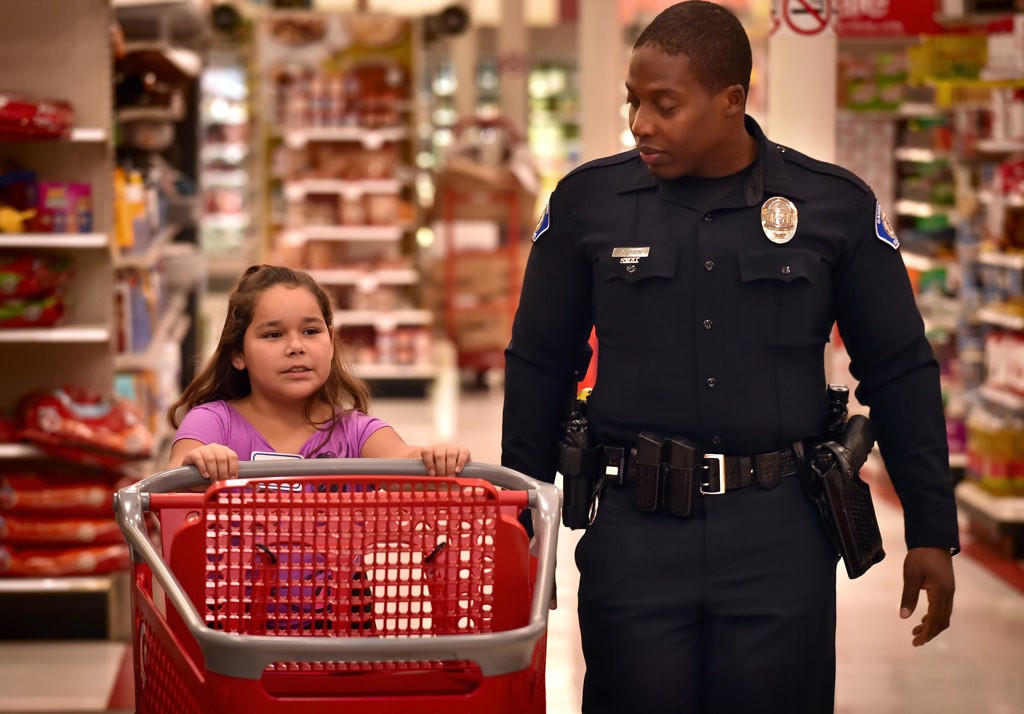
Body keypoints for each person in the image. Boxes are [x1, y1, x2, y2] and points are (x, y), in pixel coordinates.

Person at [501, 3, 958, 713]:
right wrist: (522, 523)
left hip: (780, 534)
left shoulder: (830, 206)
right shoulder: (590, 204)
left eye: (664, 104)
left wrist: (932, 527)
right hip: (636, 535)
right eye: (633, 101)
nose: (640, 122)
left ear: (731, 101)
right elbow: (538, 364)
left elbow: (898, 369)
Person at [167, 264, 469, 480]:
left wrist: (435, 457)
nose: (296, 346)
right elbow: (172, 481)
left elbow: (405, 459)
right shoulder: (213, 423)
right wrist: (197, 463)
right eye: (273, 335)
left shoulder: (356, 434)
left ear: (332, 341)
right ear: (238, 355)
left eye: (311, 331)